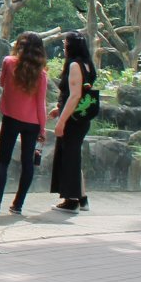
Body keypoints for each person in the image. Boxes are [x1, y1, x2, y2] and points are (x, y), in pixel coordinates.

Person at [0, 31, 48, 215]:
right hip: (32, 123)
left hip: (11, 118)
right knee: (27, 163)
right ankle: (18, 205)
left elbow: (2, 83)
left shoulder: (9, 62)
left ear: (19, 45)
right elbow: (40, 104)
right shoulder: (41, 75)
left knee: (3, 160)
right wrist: (42, 129)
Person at [48, 31, 97, 212]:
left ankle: (71, 200)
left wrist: (61, 121)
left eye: (65, 43)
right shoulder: (87, 64)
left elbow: (75, 96)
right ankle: (82, 198)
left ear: (71, 45)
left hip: (72, 121)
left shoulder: (75, 65)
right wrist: (59, 109)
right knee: (73, 156)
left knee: (69, 157)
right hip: (80, 118)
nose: (64, 46)